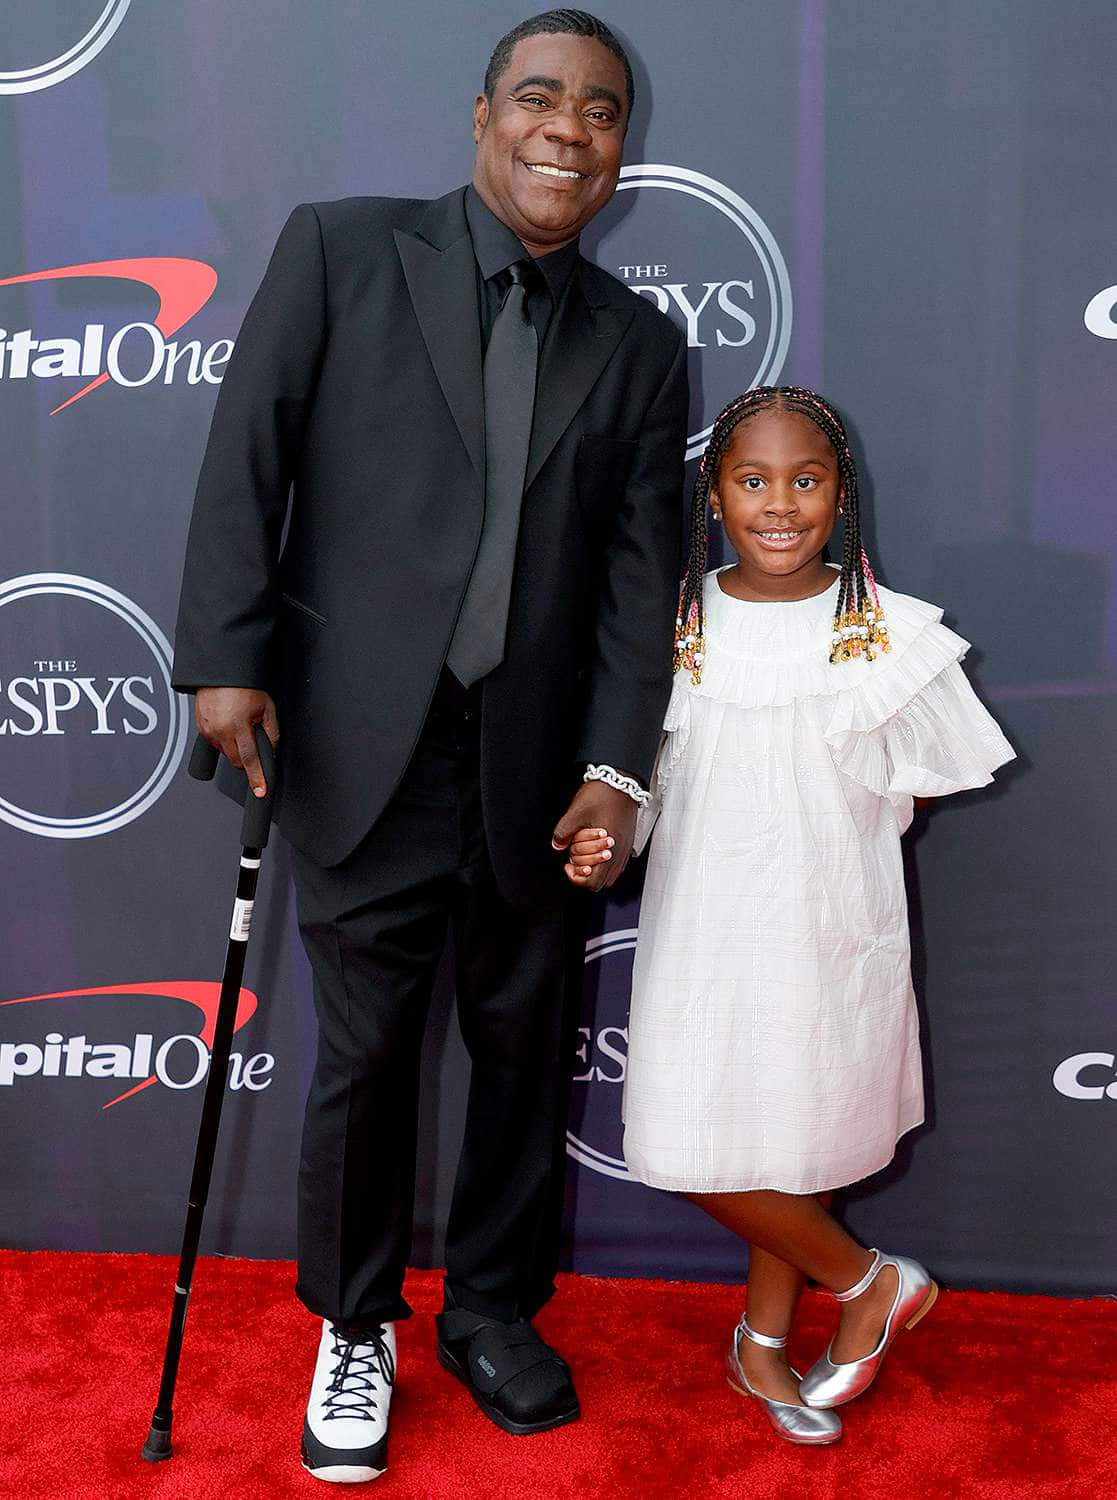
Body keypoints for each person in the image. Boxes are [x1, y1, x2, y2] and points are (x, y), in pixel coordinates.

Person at [172, 9, 688, 1484]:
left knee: (526, 1057)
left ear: (617, 149)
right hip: (358, 745)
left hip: (533, 765)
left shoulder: (644, 346)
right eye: (540, 98)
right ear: (480, 118)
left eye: (598, 111)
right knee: (369, 1054)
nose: (565, 130)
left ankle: (492, 1311)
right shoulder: (342, 250)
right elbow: (246, 454)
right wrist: (224, 659)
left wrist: (616, 762)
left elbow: (638, 582)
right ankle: (353, 1324)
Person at [565, 386, 1014, 1445]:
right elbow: (639, 783)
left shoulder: (887, 638)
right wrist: (609, 837)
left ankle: (761, 1343)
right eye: (751, 480)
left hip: (828, 929)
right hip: (702, 934)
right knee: (687, 1146)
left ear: (840, 494)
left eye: (805, 481)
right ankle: (869, 1285)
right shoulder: (669, 628)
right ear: (713, 495)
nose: (779, 505)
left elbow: (919, 780)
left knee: (795, 1143)